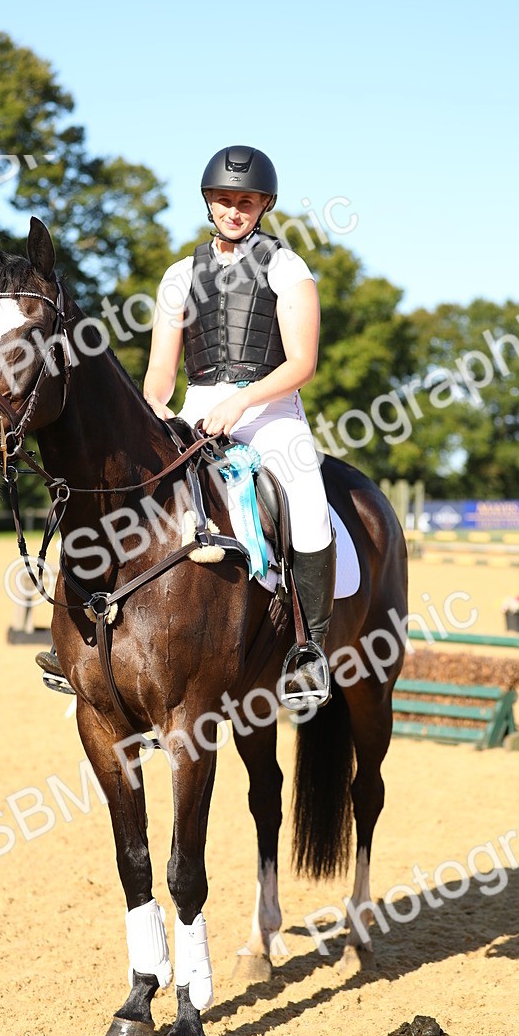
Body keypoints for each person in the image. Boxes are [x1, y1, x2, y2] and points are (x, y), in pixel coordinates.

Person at [142, 145, 335, 707]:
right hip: (196, 405)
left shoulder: (287, 266)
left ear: (263, 205)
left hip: (271, 410)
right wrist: (158, 408)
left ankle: (310, 653)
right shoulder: (179, 275)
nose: (233, 210)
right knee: (133, 492)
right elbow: (160, 372)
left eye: (245, 201)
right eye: (224, 200)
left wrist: (243, 401)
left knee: (306, 499)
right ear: (209, 202)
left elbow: (302, 363)